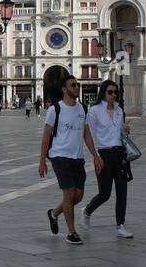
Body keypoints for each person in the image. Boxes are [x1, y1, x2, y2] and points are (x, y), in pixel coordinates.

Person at [39, 73, 102, 245]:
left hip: (77, 157)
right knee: (68, 195)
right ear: (64, 89)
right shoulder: (55, 109)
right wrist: (42, 160)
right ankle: (71, 232)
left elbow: (86, 134)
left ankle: (54, 214)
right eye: (73, 85)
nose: (77, 87)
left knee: (78, 196)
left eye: (77, 85)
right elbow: (46, 136)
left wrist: (95, 155)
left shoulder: (82, 108)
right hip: (60, 156)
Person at [81, 80, 133, 239]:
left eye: (115, 92)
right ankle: (87, 211)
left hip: (119, 154)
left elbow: (122, 136)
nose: (113, 95)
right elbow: (90, 135)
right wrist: (96, 156)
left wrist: (126, 131)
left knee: (122, 191)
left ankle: (120, 225)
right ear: (103, 92)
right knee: (105, 193)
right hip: (103, 154)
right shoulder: (94, 111)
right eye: (110, 92)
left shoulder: (119, 110)